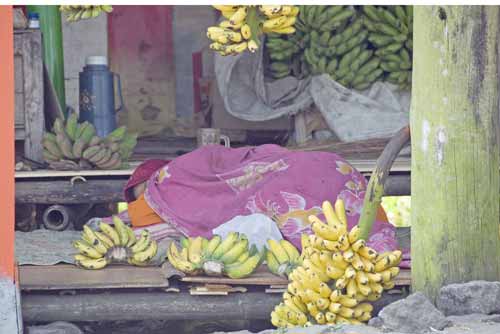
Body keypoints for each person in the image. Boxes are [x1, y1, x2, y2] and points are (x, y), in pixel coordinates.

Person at [100, 144, 400, 257]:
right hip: (334, 166)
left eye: (139, 195)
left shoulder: (168, 179)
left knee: (290, 194)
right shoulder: (167, 187)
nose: (142, 202)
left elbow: (145, 215)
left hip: (307, 170)